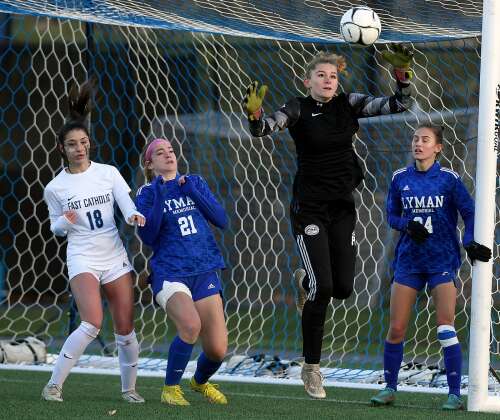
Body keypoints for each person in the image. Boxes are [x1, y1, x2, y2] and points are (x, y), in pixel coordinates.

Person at [243, 46, 414, 399]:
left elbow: (399, 105)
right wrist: (256, 113)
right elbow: (262, 129)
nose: (327, 80)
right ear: (307, 81)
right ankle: (311, 368)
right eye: (320, 75)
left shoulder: (349, 103)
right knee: (322, 289)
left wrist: (401, 77)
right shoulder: (297, 107)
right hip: (309, 208)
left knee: (343, 290)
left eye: (333, 76)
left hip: (341, 207)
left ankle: (307, 280)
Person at [370, 124, 492, 410]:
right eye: (415, 139)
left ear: (438, 147)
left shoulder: (449, 179)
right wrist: (407, 225)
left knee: (445, 327)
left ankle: (454, 394)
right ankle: (389, 388)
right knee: (397, 328)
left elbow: (470, 211)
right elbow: (392, 216)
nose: (418, 143)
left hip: (441, 261)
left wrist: (469, 240)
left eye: (425, 140)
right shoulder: (400, 178)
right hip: (409, 262)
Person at [42, 81, 146, 403]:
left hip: (113, 254)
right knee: (91, 322)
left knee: (125, 328)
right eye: (72, 144)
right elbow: (55, 229)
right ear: (62, 148)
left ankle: (129, 389)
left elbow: (126, 204)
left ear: (89, 143)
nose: (79, 148)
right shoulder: (55, 188)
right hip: (82, 256)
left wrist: (133, 216)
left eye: (83, 142)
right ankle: (54, 385)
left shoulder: (109, 172)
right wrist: (65, 220)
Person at [135, 138, 229, 406]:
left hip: (204, 270)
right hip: (170, 272)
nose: (168, 155)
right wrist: (160, 195)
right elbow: (148, 236)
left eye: (171, 151)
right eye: (160, 153)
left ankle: (199, 382)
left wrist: (192, 192)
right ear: (150, 163)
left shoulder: (195, 182)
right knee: (190, 325)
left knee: (217, 349)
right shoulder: (146, 193)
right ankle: (170, 389)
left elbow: (221, 220)